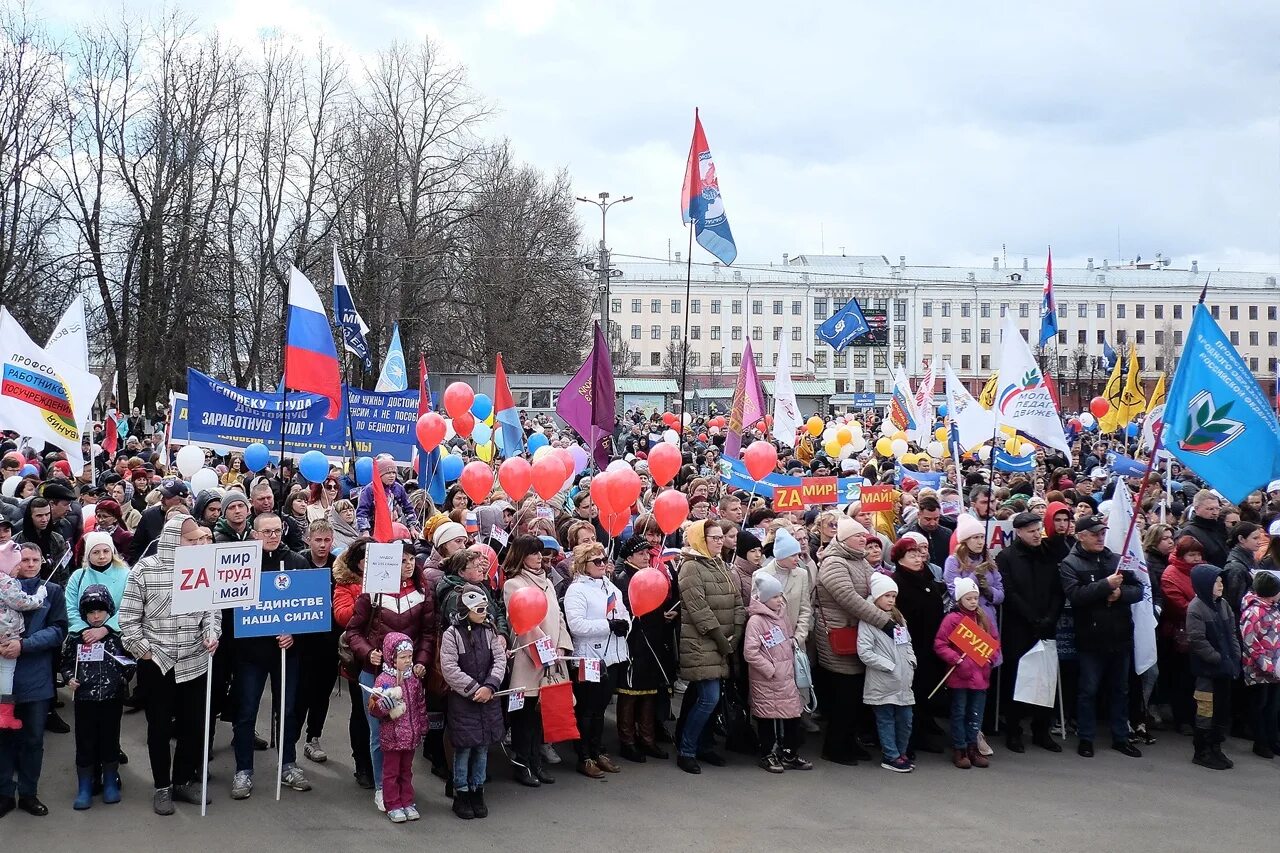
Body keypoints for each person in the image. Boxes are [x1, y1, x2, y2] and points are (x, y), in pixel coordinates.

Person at [118, 515, 220, 815]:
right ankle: (162, 786)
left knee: (194, 726)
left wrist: (212, 634)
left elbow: (212, 612)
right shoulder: (144, 571)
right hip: (157, 663)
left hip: (195, 661)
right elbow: (128, 619)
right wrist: (144, 651)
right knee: (159, 728)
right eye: (191, 540)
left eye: (199, 539)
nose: (197, 544)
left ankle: (182, 780)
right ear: (175, 540)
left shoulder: (204, 568)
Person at [345, 540, 435, 812]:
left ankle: (402, 789)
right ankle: (383, 787)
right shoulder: (371, 592)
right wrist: (368, 652)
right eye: (402, 560)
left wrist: (421, 662)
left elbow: (429, 634)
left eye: (411, 560)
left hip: (410, 678)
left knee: (407, 734)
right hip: (375, 676)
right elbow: (353, 632)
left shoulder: (423, 591)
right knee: (379, 733)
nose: (408, 565)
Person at [228, 512, 311, 801]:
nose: (273, 536)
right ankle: (243, 770)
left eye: (277, 530)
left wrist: (295, 634)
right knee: (246, 712)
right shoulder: (242, 564)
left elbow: (309, 608)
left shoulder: (299, 562)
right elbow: (230, 608)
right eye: (266, 531)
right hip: (251, 653)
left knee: (286, 710)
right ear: (254, 533)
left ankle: (288, 763)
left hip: (286, 652)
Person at [1059, 514, 1144, 759]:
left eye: (1102, 533)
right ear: (1081, 536)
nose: (1100, 537)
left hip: (1119, 635)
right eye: (1095, 533)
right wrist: (1106, 585)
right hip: (1091, 638)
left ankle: (1121, 736)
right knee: (1088, 690)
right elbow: (1075, 595)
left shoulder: (1116, 559)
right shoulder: (1071, 564)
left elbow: (1138, 589)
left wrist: (1120, 595)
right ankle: (1086, 737)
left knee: (1120, 690)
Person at [815, 517, 891, 765]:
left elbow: (875, 587)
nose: (863, 539)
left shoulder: (859, 561)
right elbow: (849, 598)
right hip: (838, 637)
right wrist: (882, 619)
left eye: (864, 535)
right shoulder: (834, 562)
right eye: (858, 535)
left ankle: (848, 741)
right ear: (845, 539)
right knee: (843, 697)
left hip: (857, 636)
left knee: (855, 697)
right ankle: (834, 747)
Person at [674, 519, 744, 775]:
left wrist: (735, 632)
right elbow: (698, 609)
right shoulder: (691, 567)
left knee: (710, 701)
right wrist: (720, 639)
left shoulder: (721, 565)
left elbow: (737, 601)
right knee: (708, 698)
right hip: (702, 643)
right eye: (713, 538)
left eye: (719, 537)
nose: (719, 541)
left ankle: (703, 745)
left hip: (724, 641)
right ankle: (687, 750)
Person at [502, 534, 572, 786]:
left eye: (540, 552)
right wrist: (545, 651)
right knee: (525, 718)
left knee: (542, 715)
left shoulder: (548, 583)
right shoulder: (514, 585)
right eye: (533, 552)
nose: (539, 557)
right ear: (522, 556)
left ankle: (536, 762)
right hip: (529, 660)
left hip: (553, 659)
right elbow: (524, 624)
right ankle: (522, 764)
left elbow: (560, 618)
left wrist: (562, 646)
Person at [60, 583, 134, 809]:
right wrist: (69, 678)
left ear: (109, 611)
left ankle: (110, 781)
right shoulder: (75, 638)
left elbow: (131, 661)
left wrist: (122, 678)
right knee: (85, 742)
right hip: (84, 700)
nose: (95, 616)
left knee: (110, 740)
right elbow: (65, 663)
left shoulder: (118, 637)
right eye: (91, 612)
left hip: (112, 699)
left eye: (100, 611)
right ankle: (85, 786)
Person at [995, 512, 1065, 753]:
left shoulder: (1049, 553)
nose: (1037, 535)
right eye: (1032, 531)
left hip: (1047, 624)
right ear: (1020, 532)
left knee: (1046, 677)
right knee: (1018, 677)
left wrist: (1050, 617)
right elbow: (1009, 592)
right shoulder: (1007, 557)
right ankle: (1014, 730)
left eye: (1038, 530)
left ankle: (1041, 730)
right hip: (1019, 626)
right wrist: (1032, 618)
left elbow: (1058, 589)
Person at [563, 541, 630, 779]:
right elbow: (577, 625)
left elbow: (623, 613)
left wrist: (624, 626)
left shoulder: (610, 586)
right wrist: (608, 625)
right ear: (583, 565)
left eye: (604, 559)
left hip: (611, 655)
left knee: (600, 708)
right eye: (597, 561)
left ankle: (597, 750)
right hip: (588, 657)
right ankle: (584, 756)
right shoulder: (576, 590)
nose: (603, 564)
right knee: (587, 709)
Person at [439, 585, 506, 820]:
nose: (484, 613)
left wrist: (490, 686)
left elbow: (499, 659)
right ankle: (462, 792)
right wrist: (475, 689)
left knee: (483, 747)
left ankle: (478, 790)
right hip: (464, 700)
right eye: (479, 609)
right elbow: (449, 668)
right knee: (464, 748)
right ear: (466, 611)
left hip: (487, 698)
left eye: (486, 608)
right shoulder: (452, 634)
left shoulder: (489, 630)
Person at [612, 536, 677, 762]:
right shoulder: (622, 578)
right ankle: (627, 741)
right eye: (641, 554)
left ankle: (647, 739)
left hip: (653, 640)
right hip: (633, 642)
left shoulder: (650, 575)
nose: (646, 557)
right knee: (630, 694)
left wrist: (663, 615)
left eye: (648, 554)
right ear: (629, 557)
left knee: (649, 692)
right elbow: (625, 610)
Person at [742, 571, 811, 773]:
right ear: (764, 599)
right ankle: (767, 753)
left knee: (792, 715)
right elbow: (751, 652)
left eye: (780, 595)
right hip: (767, 679)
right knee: (767, 718)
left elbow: (786, 637)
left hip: (786, 675)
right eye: (774, 596)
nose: (779, 600)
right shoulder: (756, 621)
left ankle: (789, 752)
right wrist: (770, 670)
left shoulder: (781, 615)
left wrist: (792, 646)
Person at [889, 534, 947, 754]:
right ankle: (912, 738)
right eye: (911, 554)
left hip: (931, 644)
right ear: (899, 558)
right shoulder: (898, 582)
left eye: (918, 553)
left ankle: (925, 728)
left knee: (926, 690)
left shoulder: (926, 579)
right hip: (911, 645)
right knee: (913, 692)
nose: (917, 558)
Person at [858, 572, 916, 772]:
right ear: (876, 597)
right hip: (883, 681)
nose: (891, 600)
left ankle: (901, 753)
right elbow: (864, 651)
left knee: (905, 720)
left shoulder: (899, 618)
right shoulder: (868, 621)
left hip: (903, 680)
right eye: (886, 596)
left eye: (893, 596)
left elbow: (907, 643)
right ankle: (891, 755)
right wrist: (889, 665)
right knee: (885, 720)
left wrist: (911, 661)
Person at [934, 577, 994, 769]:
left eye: (975, 598)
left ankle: (972, 747)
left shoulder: (983, 618)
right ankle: (959, 748)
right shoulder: (952, 619)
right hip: (960, 675)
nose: (973, 602)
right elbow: (940, 644)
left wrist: (991, 658)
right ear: (960, 600)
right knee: (959, 712)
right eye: (969, 598)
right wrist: (955, 659)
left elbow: (994, 641)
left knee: (975, 714)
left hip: (980, 676)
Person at [1185, 565, 1241, 770]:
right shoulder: (1196, 608)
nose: (1220, 585)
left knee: (1222, 709)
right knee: (1205, 710)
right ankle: (1201, 750)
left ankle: (1216, 746)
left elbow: (1232, 633)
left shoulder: (1223, 604)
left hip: (1225, 667)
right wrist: (1218, 658)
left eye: (1221, 581)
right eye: (1216, 582)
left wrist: (1235, 657)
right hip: (1207, 671)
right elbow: (1198, 641)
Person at [369, 631, 428, 823]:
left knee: (406, 771)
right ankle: (392, 803)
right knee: (391, 771)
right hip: (392, 736)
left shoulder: (413, 680)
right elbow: (374, 710)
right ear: (391, 657)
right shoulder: (383, 680)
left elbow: (420, 704)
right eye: (403, 657)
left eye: (410, 657)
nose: (408, 661)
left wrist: (422, 725)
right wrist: (383, 707)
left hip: (410, 736)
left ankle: (407, 801)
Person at [331, 538, 374, 790]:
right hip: (359, 659)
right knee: (361, 712)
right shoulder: (345, 585)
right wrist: (366, 597)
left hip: (387, 656)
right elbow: (342, 616)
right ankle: (362, 764)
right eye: (365, 559)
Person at [296, 521, 338, 765]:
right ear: (308, 540)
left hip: (328, 642)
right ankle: (289, 740)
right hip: (301, 642)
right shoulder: (298, 563)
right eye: (318, 540)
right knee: (299, 694)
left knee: (322, 694)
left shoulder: (339, 566)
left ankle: (313, 738)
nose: (322, 545)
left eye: (327, 540)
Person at [0, 543, 48, 731]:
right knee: (6, 671)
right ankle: (5, 714)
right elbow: (22, 602)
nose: (22, 566)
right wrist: (39, 597)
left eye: (35, 560)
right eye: (19, 563)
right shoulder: (6, 581)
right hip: (8, 634)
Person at [1160, 536, 1201, 733]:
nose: (1195, 558)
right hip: (1179, 633)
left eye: (1198, 554)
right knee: (1181, 679)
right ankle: (1182, 718)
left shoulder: (1202, 571)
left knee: (1195, 679)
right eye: (1191, 555)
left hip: (1201, 631)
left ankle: (1195, 716)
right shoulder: (1171, 574)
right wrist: (1202, 610)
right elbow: (1178, 606)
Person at [1238, 571, 1280, 759]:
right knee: (1260, 706)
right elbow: (1251, 643)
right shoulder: (1253, 612)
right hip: (1259, 671)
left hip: (1275, 670)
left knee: (1273, 707)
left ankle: (1273, 740)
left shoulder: (1273, 608)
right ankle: (1260, 742)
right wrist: (1268, 666)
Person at [129, 478, 189, 563]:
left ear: (179, 500)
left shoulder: (189, 519)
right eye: (162, 495)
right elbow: (136, 547)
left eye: (167, 497)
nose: (162, 499)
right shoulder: (148, 515)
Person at [356, 459, 419, 535]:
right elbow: (362, 513)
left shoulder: (399, 488)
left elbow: (408, 509)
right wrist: (365, 532)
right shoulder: (369, 490)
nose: (392, 476)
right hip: (372, 530)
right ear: (380, 474)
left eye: (393, 473)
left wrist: (412, 528)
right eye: (388, 473)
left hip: (393, 528)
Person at [1222, 522, 1267, 620]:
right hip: (1244, 618)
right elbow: (1236, 602)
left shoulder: (1248, 557)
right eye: (1255, 538)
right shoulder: (1235, 567)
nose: (1259, 541)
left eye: (1259, 537)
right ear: (1241, 539)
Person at [1178, 490, 1229, 568]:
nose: (1215, 513)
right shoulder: (1189, 532)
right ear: (1197, 509)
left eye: (1218, 509)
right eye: (1210, 509)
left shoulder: (1220, 526)